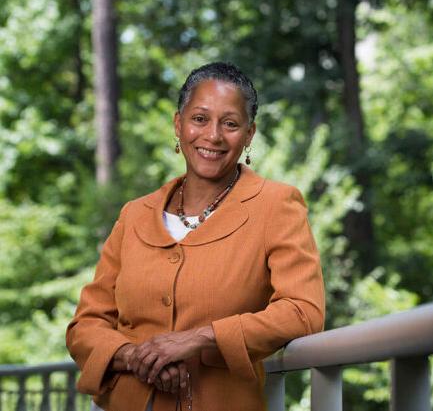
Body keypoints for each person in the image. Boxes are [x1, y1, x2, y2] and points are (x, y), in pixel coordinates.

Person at [66, 62, 325, 411]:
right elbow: (86, 325)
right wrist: (135, 356)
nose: (214, 135)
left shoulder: (276, 205)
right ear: (178, 124)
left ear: (249, 135)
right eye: (200, 119)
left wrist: (200, 338)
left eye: (230, 123)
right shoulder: (134, 215)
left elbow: (303, 311)